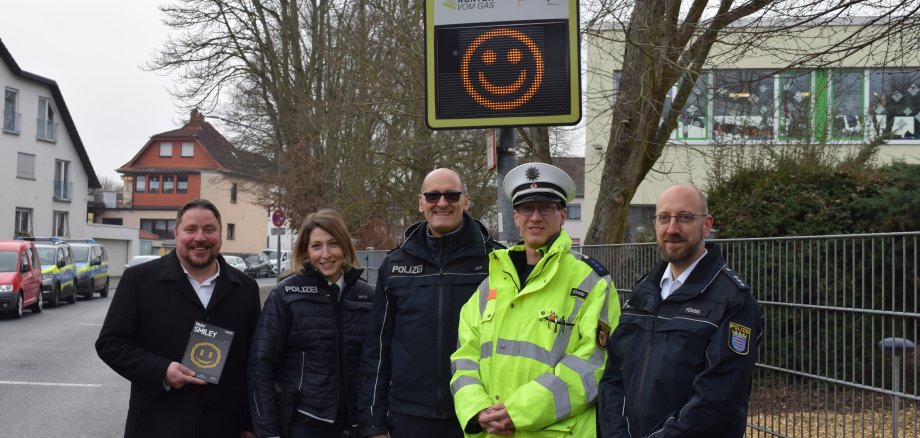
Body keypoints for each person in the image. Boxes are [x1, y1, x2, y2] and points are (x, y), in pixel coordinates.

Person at [450, 162, 619, 437]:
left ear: (563, 215)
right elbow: (464, 357)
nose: (535, 217)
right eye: (527, 209)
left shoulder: (592, 282)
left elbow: (595, 365)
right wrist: (477, 409)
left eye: (545, 208)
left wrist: (518, 413)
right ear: (516, 217)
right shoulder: (489, 285)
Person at [598, 184, 764, 438]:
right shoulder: (643, 294)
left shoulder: (733, 302)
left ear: (707, 225)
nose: (672, 229)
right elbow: (613, 377)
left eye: (685, 218)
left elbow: (716, 402)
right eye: (664, 218)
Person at [96, 199, 261, 438]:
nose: (200, 238)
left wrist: (250, 423)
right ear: (176, 233)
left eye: (209, 230)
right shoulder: (139, 280)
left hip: (224, 426)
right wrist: (161, 371)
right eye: (191, 229)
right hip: (158, 424)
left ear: (221, 234)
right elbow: (110, 343)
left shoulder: (245, 288)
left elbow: (254, 361)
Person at [359, 168, 503, 438]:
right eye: (433, 195)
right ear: (421, 202)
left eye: (451, 195)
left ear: (466, 201)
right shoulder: (394, 265)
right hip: (409, 417)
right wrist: (373, 422)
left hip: (477, 415)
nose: (442, 202)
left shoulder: (497, 261)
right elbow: (377, 349)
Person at [248, 209, 374, 438]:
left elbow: (380, 366)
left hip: (358, 425)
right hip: (304, 425)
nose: (325, 254)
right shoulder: (286, 294)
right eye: (316, 246)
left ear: (345, 245)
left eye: (333, 244)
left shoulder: (369, 296)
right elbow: (260, 366)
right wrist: (268, 433)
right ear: (306, 250)